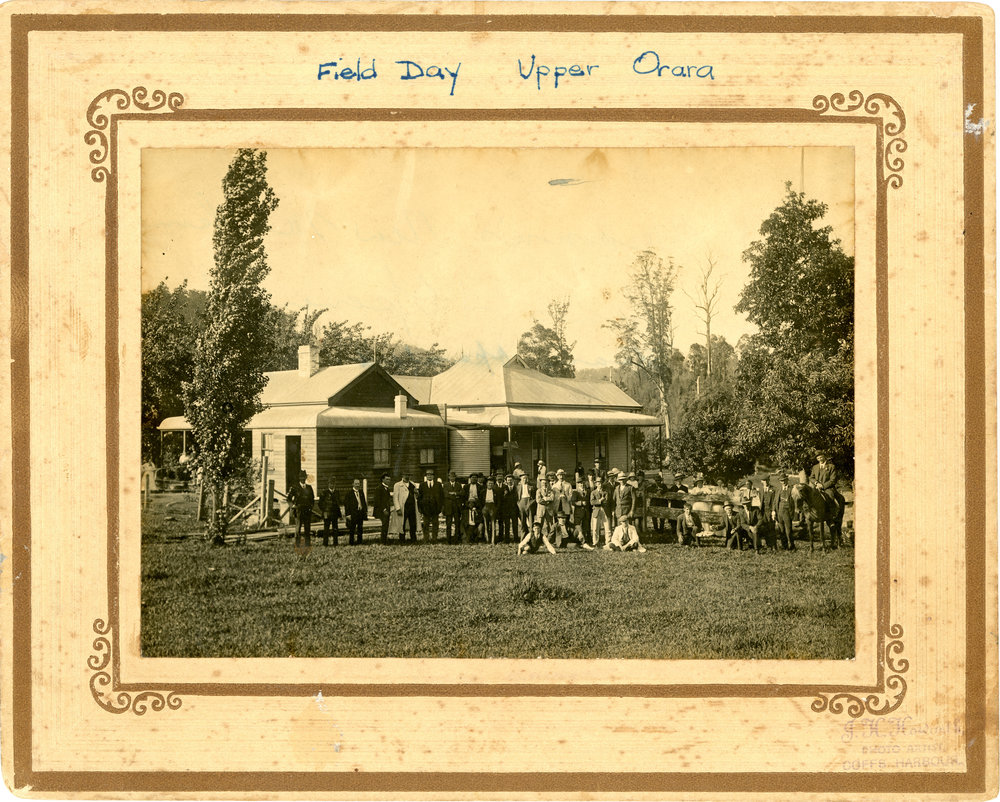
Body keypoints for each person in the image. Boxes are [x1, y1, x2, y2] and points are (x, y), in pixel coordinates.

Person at [290, 470, 315, 551]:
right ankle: (297, 545)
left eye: (304, 477)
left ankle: (307, 544)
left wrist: (311, 507)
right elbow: (288, 499)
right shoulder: (295, 487)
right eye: (301, 477)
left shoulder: (309, 487)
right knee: (298, 528)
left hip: (307, 510)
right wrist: (292, 506)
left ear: (306, 478)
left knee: (307, 528)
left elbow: (312, 499)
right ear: (299, 478)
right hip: (298, 511)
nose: (302, 479)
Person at [770, 475, 796, 550]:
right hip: (779, 512)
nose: (783, 482)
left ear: (787, 480)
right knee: (781, 530)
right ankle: (784, 546)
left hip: (788, 511)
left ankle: (792, 545)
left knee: (788, 530)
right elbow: (775, 501)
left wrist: (793, 512)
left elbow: (795, 500)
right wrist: (773, 511)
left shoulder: (791, 489)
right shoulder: (778, 489)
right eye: (781, 481)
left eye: (784, 480)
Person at [418, 468, 443, 542]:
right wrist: (420, 508)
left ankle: (434, 538)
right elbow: (420, 497)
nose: (429, 476)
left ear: (433, 476)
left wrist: (440, 507)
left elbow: (441, 496)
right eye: (428, 475)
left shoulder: (438, 485)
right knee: (426, 524)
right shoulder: (422, 485)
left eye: (431, 475)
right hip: (425, 509)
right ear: (426, 476)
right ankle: (426, 538)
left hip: (435, 508)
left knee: (435, 524)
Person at [550, 468, 573, 547]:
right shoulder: (554, 486)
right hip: (557, 507)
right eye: (559, 475)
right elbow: (552, 497)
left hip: (565, 506)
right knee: (558, 524)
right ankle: (558, 540)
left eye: (562, 475)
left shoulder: (568, 485)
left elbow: (571, 497)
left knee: (566, 522)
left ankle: (566, 539)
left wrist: (565, 496)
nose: (561, 477)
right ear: (557, 476)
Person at [393, 472, 418, 542]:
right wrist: (398, 508)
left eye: (408, 475)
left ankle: (413, 539)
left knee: (413, 523)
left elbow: (416, 496)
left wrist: (416, 493)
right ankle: (402, 539)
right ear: (402, 475)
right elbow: (395, 498)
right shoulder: (398, 485)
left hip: (412, 507)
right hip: (403, 507)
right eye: (405, 475)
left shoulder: (413, 484)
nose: (407, 476)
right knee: (402, 523)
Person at [570, 482, 595, 550]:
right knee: (578, 526)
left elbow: (590, 502)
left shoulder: (588, 492)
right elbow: (573, 502)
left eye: (583, 483)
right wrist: (581, 503)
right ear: (578, 484)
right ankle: (581, 541)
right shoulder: (575, 492)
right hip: (578, 513)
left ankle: (587, 541)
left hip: (587, 512)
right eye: (580, 483)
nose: (582, 485)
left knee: (586, 526)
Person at [318, 475, 342, 546]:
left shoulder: (337, 492)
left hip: (335, 513)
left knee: (335, 529)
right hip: (327, 513)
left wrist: (339, 514)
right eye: (330, 483)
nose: (332, 485)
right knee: (326, 529)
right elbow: (320, 503)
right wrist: (324, 510)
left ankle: (335, 543)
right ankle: (325, 544)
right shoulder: (324, 493)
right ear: (328, 484)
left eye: (333, 483)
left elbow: (338, 504)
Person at [590, 476, 612, 548]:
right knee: (595, 527)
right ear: (596, 484)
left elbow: (607, 501)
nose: (600, 484)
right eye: (598, 483)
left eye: (601, 483)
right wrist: (600, 500)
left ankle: (608, 542)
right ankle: (595, 542)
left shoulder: (605, 492)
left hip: (605, 510)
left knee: (607, 526)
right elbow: (592, 502)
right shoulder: (593, 492)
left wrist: (601, 501)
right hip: (596, 511)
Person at [343, 477, 367, 545]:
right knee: (352, 529)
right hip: (353, 514)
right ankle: (351, 542)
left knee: (360, 528)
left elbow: (364, 502)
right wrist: (348, 514)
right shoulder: (349, 493)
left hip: (360, 513)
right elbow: (346, 505)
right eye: (356, 484)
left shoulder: (361, 492)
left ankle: (360, 541)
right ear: (352, 484)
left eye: (358, 484)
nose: (357, 485)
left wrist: (365, 511)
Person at [498, 474, 520, 543]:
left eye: (511, 480)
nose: (509, 481)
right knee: (507, 524)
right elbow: (501, 499)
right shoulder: (503, 488)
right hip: (506, 509)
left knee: (515, 524)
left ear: (513, 480)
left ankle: (516, 538)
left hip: (514, 509)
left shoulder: (516, 488)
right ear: (506, 481)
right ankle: (507, 539)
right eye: (508, 480)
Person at [371, 472, 393, 544]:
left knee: (386, 525)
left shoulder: (387, 489)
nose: (388, 481)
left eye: (389, 479)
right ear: (382, 480)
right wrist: (384, 509)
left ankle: (384, 540)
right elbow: (378, 501)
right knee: (384, 525)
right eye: (387, 479)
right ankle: (383, 541)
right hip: (381, 511)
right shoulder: (379, 488)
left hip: (387, 510)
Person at [462, 473, 484, 542]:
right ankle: (467, 536)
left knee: (477, 521)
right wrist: (467, 504)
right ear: (470, 479)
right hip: (467, 505)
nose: (474, 479)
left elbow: (481, 498)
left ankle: (477, 536)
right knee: (467, 521)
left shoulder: (480, 487)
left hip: (477, 504)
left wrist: (477, 503)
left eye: (475, 477)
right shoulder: (466, 486)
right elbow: (464, 496)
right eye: (472, 477)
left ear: (477, 479)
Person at [442, 471, 463, 544]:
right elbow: (445, 495)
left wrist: (454, 493)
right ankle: (448, 540)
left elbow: (461, 493)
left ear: (455, 477)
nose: (452, 478)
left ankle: (456, 539)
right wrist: (455, 495)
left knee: (457, 523)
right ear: (448, 477)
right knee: (448, 524)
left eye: (453, 477)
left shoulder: (458, 485)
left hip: (457, 507)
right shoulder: (445, 485)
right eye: (451, 476)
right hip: (449, 507)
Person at [535, 476, 556, 540]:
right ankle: (538, 539)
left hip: (549, 510)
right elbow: (538, 500)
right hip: (541, 510)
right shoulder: (538, 491)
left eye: (546, 482)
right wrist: (547, 502)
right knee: (539, 525)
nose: (544, 484)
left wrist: (545, 498)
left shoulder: (551, 491)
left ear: (548, 483)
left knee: (550, 525)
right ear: (541, 483)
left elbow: (552, 498)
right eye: (543, 483)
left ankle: (550, 539)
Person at [516, 472, 534, 537]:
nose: (525, 480)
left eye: (526, 478)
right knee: (522, 520)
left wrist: (531, 502)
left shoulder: (531, 487)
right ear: (521, 479)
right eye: (523, 478)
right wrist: (519, 503)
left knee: (531, 520)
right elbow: (516, 497)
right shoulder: (518, 487)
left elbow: (534, 497)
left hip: (529, 502)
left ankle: (532, 535)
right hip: (521, 503)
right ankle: (523, 536)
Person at [482, 477, 499, 543]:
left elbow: (498, 501)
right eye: (489, 483)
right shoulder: (483, 491)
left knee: (493, 524)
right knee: (486, 524)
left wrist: (496, 508)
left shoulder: (495, 491)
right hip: (485, 506)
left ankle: (493, 540)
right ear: (486, 484)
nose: (490, 485)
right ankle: (487, 539)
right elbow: (480, 500)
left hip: (492, 507)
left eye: (492, 484)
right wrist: (483, 507)